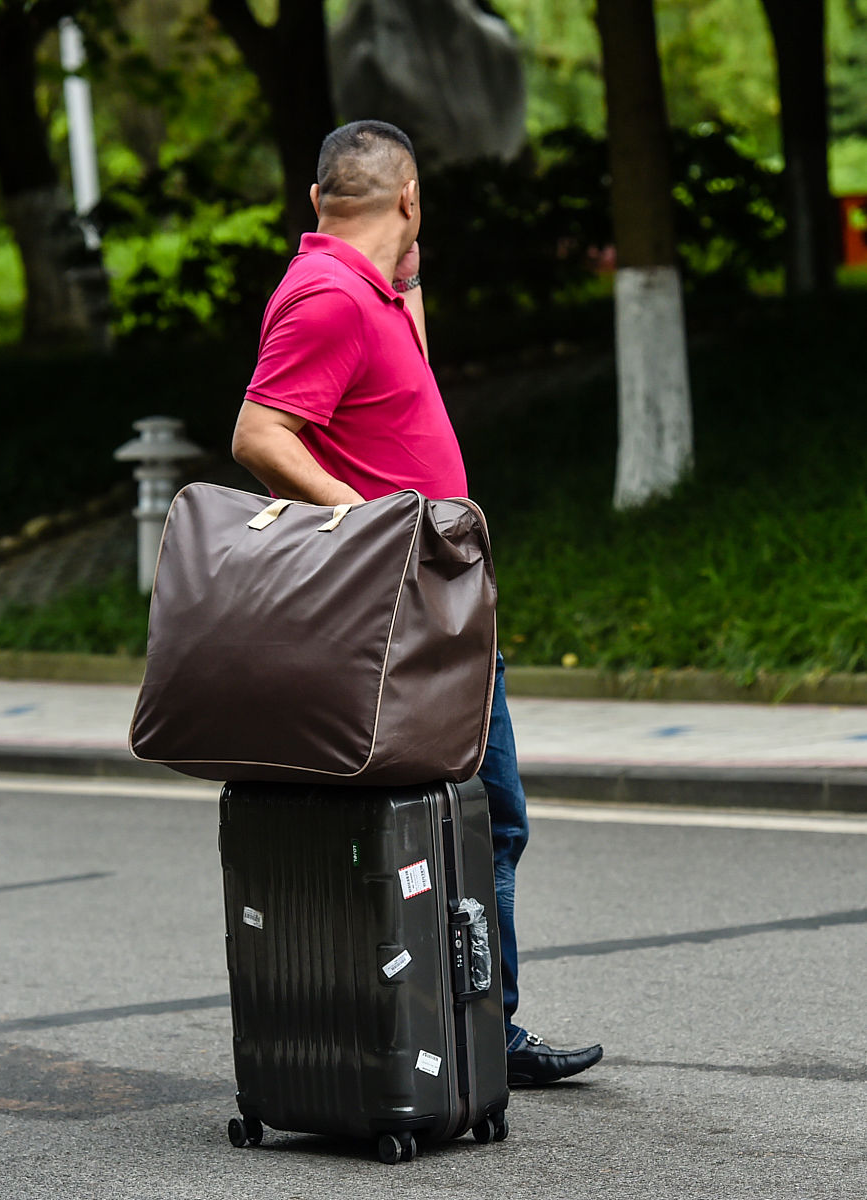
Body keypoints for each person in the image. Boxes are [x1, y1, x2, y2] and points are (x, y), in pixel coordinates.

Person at [231, 119, 603, 1088]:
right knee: (477, 819)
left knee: (473, 819)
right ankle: (477, 1034)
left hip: (436, 606)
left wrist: (409, 282)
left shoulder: (363, 290)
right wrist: (378, 529)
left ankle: (469, 1029)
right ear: (410, 199)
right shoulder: (324, 298)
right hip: (406, 612)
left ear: (318, 202)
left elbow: (404, 396)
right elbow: (260, 435)